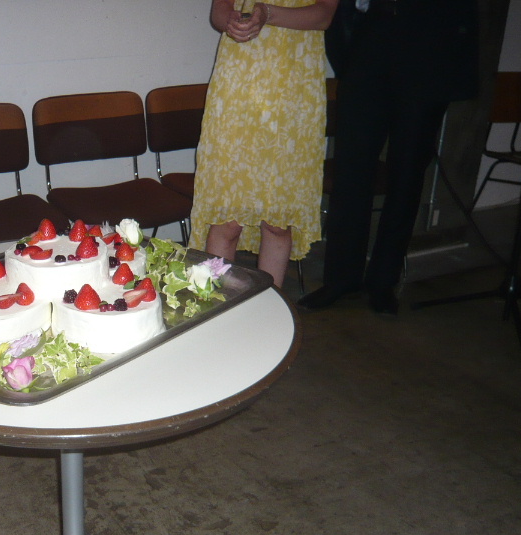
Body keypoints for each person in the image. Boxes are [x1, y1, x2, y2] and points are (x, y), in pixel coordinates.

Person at [298, 0, 478, 314]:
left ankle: (383, 281)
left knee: (407, 173)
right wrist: (350, 57)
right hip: (373, 36)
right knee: (351, 170)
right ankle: (341, 279)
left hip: (430, 44)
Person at [190, 0, 338, 288]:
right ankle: (216, 306)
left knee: (278, 223)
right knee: (226, 219)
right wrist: (230, 21)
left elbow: (323, 15)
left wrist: (267, 14)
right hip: (238, 84)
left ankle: (272, 303)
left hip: (295, 88)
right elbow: (220, 10)